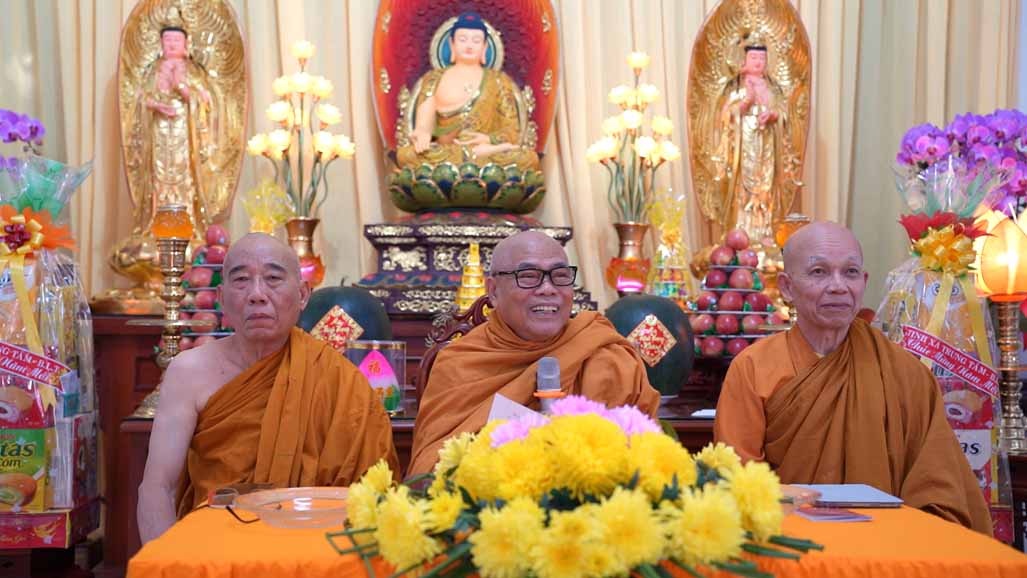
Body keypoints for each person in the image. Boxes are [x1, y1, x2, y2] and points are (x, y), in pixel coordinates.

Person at [714, 221, 992, 534]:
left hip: (887, 543)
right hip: (788, 542)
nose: (838, 286)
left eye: (850, 272)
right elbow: (739, 484)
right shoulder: (752, 368)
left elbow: (939, 486)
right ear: (787, 287)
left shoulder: (904, 373)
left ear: (863, 281)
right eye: (819, 272)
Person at [137, 234, 398, 543]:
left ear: (302, 295)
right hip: (216, 550)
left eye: (273, 279)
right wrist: (165, 563)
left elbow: (372, 496)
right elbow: (158, 487)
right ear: (221, 297)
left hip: (315, 551)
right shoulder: (188, 372)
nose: (257, 294)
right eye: (241, 280)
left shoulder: (337, 378)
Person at [408, 231, 660, 476]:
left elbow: (645, 459)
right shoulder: (459, 363)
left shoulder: (604, 354)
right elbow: (430, 469)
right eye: (528, 276)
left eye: (560, 276)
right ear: (493, 291)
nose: (548, 289)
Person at [395, 11, 539, 170]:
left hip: (484, 149)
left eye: (476, 41)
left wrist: (488, 139)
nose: (469, 45)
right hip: (446, 151)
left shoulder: (498, 80)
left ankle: (480, 154)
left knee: (528, 158)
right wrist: (422, 134)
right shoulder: (433, 79)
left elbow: (512, 131)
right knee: (405, 156)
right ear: (452, 44)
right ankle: (475, 156)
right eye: (462, 39)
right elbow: (423, 123)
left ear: (484, 47)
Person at [711, 43, 790, 241]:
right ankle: (741, 232)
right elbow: (725, 116)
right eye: (753, 57)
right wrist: (746, 103)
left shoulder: (773, 88)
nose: (758, 62)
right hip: (744, 143)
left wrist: (773, 115)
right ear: (744, 60)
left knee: (766, 184)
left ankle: (764, 231)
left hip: (767, 142)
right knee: (744, 185)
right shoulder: (738, 87)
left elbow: (784, 113)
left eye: (762, 58)